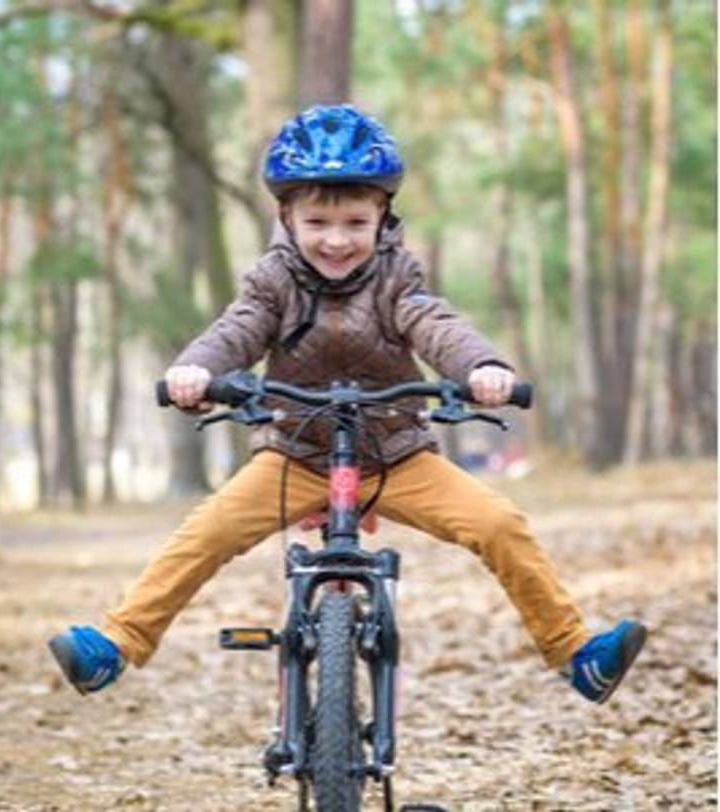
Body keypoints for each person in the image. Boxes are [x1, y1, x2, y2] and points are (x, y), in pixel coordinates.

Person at [48, 104, 646, 704]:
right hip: (296, 455)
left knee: (498, 523)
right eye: (318, 223)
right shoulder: (272, 282)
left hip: (396, 456)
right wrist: (197, 369)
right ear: (287, 217)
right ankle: (117, 645)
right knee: (205, 534)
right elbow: (238, 329)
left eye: (356, 223)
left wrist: (483, 368)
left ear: (383, 218)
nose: (337, 241)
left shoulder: (397, 279)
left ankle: (574, 652)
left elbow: (436, 325)